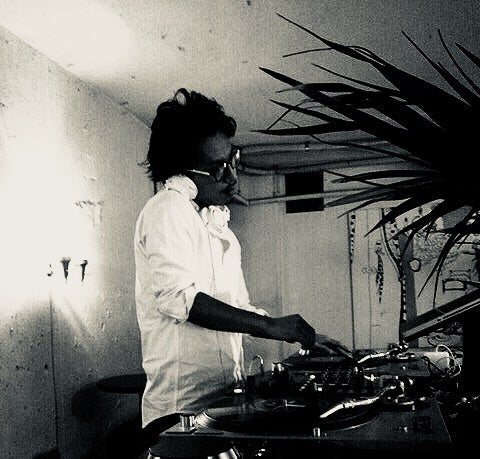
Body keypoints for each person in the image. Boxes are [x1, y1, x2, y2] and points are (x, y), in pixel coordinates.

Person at [134, 88, 350, 456]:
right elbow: (180, 300)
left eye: (232, 159)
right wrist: (270, 326)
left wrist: (299, 334)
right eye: (219, 167)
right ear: (184, 174)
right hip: (179, 410)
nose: (232, 176)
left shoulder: (221, 229)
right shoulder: (167, 209)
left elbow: (237, 307)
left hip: (220, 401)